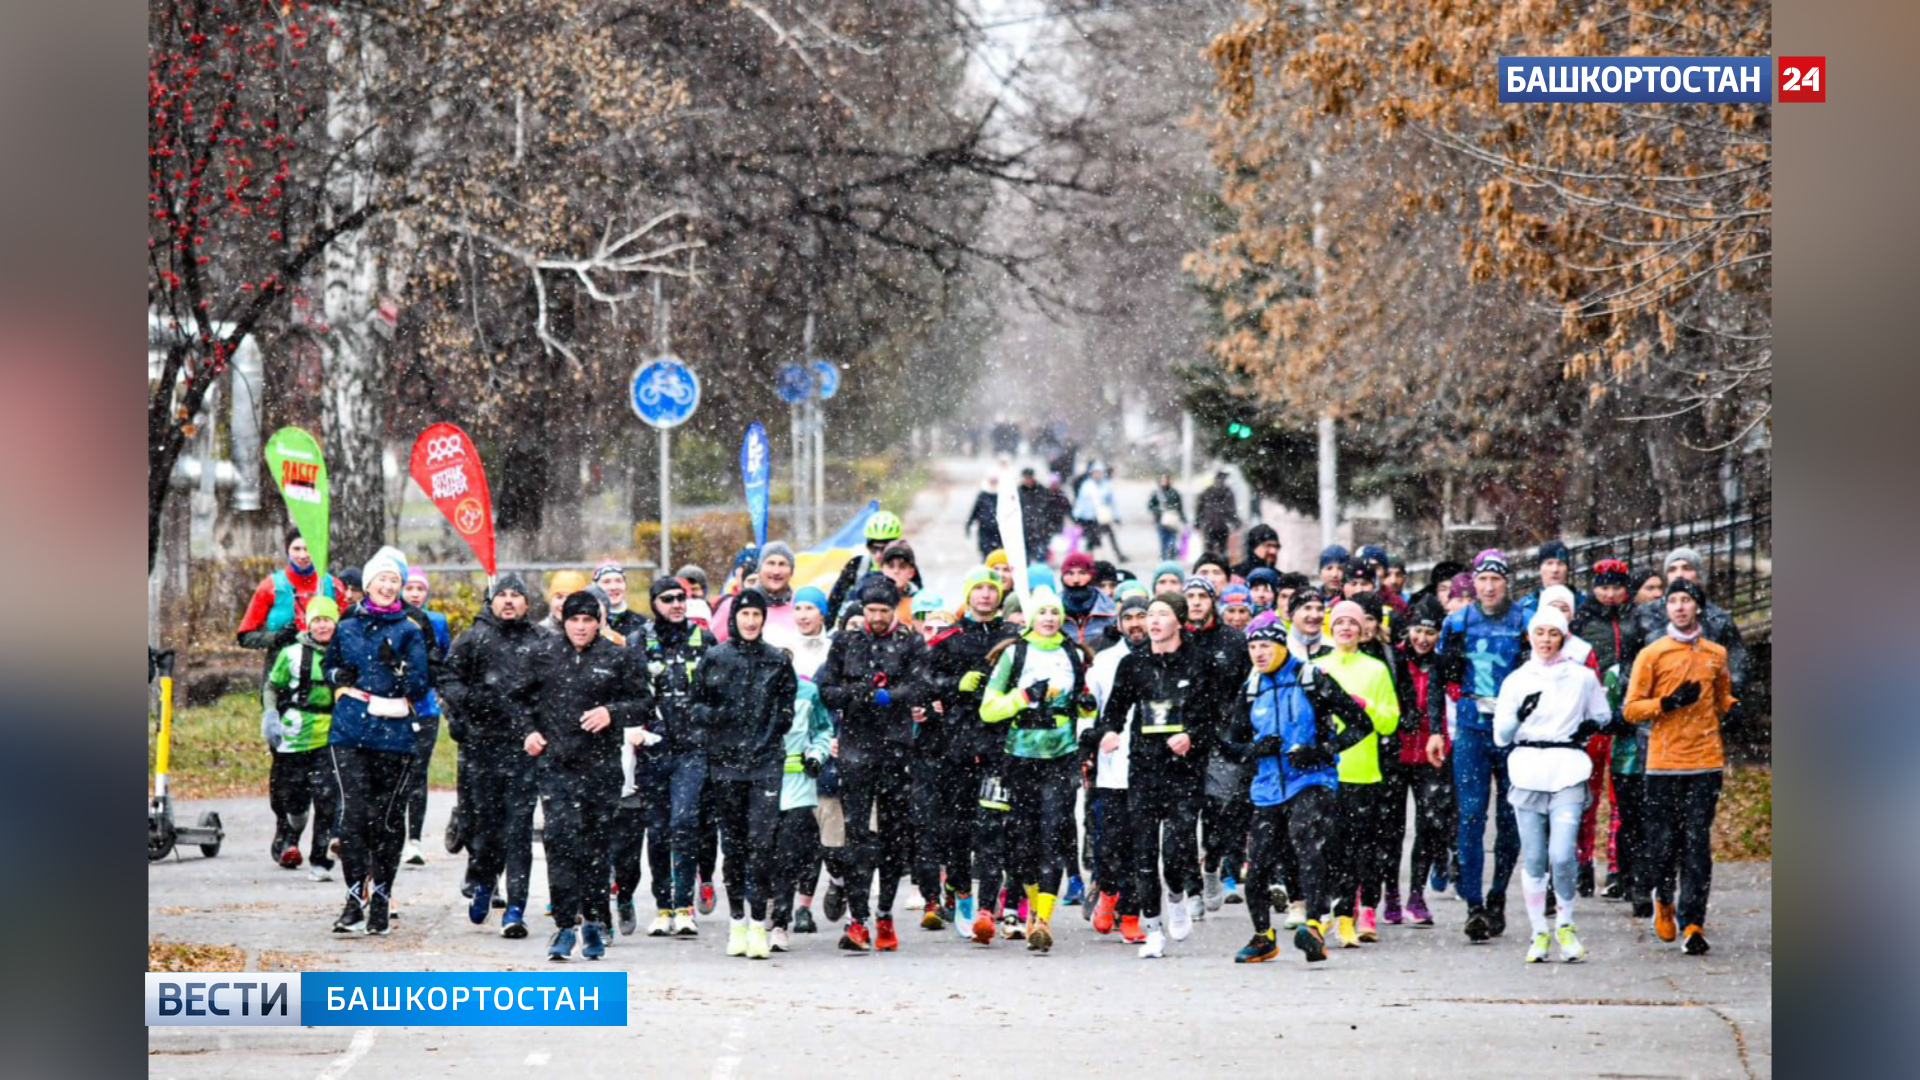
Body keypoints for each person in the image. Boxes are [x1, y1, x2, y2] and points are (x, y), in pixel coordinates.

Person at [1221, 622, 1372, 962]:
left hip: (1311, 779)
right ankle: (1263, 937)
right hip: (1268, 788)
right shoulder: (1251, 687)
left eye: (1265, 646)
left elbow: (1362, 724)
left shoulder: (1312, 677)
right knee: (1258, 865)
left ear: (1282, 646)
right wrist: (1256, 748)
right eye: (1252, 647)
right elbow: (1230, 744)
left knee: (1307, 843)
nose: (1258, 653)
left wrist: (1322, 750)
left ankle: (1314, 926)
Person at [519, 590, 654, 961]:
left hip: (600, 766)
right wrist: (528, 732)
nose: (580, 627)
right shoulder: (542, 654)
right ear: (564, 621)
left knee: (595, 847)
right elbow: (518, 701)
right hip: (557, 765)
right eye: (574, 619)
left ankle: (594, 921)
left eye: (587, 620)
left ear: (598, 623)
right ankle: (564, 926)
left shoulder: (617, 657)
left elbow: (643, 702)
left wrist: (612, 712)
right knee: (560, 842)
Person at [1098, 593, 1222, 958]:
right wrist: (1108, 733)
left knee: (1178, 846)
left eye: (1162, 614)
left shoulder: (1199, 661)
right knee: (1144, 850)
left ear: (1179, 621)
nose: (1152, 621)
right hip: (1144, 766)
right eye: (1150, 615)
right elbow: (1115, 710)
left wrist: (1192, 737)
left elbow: (1216, 716)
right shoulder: (1133, 663)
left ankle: (1177, 894)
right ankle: (1152, 927)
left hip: (1183, 768)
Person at [975, 586, 1093, 953]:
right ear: (1030, 618)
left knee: (1053, 835)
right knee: (1023, 841)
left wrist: (1087, 706)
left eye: (1054, 612)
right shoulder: (1014, 653)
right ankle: (1029, 910)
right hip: (1021, 755)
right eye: (1042, 612)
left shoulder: (1072, 653)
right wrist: (1025, 697)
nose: (1049, 618)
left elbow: (1085, 708)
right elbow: (988, 709)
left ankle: (1044, 919)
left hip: (1061, 755)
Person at [1494, 605, 1614, 963]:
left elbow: (1603, 715)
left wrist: (1588, 727)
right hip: (1528, 768)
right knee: (1533, 858)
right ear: (1530, 636)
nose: (1546, 640)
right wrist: (1521, 714)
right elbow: (1501, 736)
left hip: (1568, 769)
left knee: (1562, 855)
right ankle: (1538, 932)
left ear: (1563, 637)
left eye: (1553, 633)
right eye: (1540, 633)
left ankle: (1565, 923)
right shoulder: (1517, 679)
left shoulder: (1581, 677)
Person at [1623, 578, 1737, 956]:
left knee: (1696, 843)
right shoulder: (1652, 653)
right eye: (1673, 601)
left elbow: (1721, 696)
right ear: (1666, 608)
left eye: (1686, 601)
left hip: (1704, 761)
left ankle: (1694, 921)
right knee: (1663, 844)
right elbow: (1631, 708)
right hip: (1663, 762)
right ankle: (1664, 901)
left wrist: (1734, 709)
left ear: (1697, 607)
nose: (1680, 607)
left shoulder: (1715, 653)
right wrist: (1667, 704)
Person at [323, 546, 432, 936]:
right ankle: (355, 898)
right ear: (367, 585)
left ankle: (382, 898)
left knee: (386, 820)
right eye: (381, 579)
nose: (387, 586)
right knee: (353, 815)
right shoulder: (347, 625)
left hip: (395, 733)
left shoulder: (410, 630)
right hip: (351, 731)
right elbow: (329, 665)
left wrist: (397, 669)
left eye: (394, 581)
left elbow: (421, 683)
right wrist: (339, 676)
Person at [814, 578, 927, 952]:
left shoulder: (910, 641)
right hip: (856, 748)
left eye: (883, 611)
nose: (876, 618)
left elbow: (919, 687)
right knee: (857, 835)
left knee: (894, 836)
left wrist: (884, 696)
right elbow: (825, 689)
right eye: (870, 611)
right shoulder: (847, 641)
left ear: (894, 610)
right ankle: (858, 919)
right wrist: (854, 693)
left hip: (895, 748)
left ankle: (885, 914)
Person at [686, 588, 798, 960]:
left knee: (762, 844)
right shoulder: (715, 657)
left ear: (764, 619)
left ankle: (757, 923)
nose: (750, 621)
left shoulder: (776, 661)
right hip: (726, 764)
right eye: (745, 614)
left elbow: (787, 706)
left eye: (756, 615)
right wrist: (715, 725)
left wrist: (772, 732)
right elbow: (696, 704)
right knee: (732, 845)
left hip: (766, 763)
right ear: (734, 617)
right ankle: (736, 920)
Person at [440, 573, 543, 938]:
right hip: (481, 748)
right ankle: (484, 880)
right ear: (491, 600)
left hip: (523, 749)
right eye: (503, 594)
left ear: (528, 603)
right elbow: (447, 680)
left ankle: (516, 908)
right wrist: (472, 705)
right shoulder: (473, 638)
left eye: (517, 594)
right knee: (484, 828)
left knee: (518, 829)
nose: (510, 600)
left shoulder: (540, 641)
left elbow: (554, 689)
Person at [1436, 550, 1530, 942]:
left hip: (1512, 731)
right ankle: (1473, 904)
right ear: (1473, 583)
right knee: (1472, 814)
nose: (1489, 586)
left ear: (1506, 582)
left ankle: (1497, 895)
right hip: (1472, 728)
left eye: (1496, 579)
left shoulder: (1524, 620)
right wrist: (1435, 730)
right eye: (1482, 579)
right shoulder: (1457, 622)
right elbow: (1440, 679)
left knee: (1511, 819)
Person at [922, 566, 1019, 941]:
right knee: (957, 829)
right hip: (957, 747)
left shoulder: (1012, 637)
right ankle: (961, 893)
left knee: (995, 829)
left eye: (991, 588)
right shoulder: (951, 639)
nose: (985, 595)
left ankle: (989, 905)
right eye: (977, 588)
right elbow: (925, 681)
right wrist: (953, 685)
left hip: (1000, 746)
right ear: (968, 594)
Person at [1313, 600, 1401, 947]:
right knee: (1323, 849)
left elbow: (1390, 720)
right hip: (1323, 773)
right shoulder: (1316, 667)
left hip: (1363, 772)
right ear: (1329, 629)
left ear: (1362, 629)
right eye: (1339, 624)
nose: (1346, 629)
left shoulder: (1376, 669)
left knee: (1356, 850)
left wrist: (1362, 705)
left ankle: (1348, 916)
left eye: (1352, 623)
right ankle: (1321, 914)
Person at [633, 575, 714, 936]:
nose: (677, 604)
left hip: (692, 749)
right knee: (659, 830)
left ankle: (684, 905)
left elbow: (718, 692)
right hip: (653, 748)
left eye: (682, 598)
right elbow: (628, 691)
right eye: (668, 599)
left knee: (685, 823)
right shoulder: (639, 642)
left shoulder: (704, 640)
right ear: (654, 604)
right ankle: (662, 906)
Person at [1572, 560, 1649, 910]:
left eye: (1616, 587)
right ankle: (1582, 861)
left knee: (1623, 794)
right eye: (1603, 586)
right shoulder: (1584, 620)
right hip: (1591, 717)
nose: (1610, 593)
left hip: (1625, 717)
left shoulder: (1637, 619)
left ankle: (1618, 865)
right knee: (1586, 795)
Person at [1184, 576, 1252, 917]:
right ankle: (1192, 887)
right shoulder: (1176, 640)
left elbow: (1247, 690)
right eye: (1190, 596)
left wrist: (1236, 729)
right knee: (1182, 817)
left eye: (1202, 596)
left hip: (1221, 740)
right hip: (1181, 740)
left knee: (1216, 813)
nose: (1196, 602)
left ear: (1214, 601)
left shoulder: (1233, 640)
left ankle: (1211, 865)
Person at [262, 595, 342, 881]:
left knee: (326, 796)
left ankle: (320, 859)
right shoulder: (291, 654)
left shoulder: (345, 652)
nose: (323, 626)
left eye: (328, 620)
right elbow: (272, 686)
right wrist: (270, 715)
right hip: (294, 734)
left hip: (331, 733)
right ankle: (293, 828)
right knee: (292, 796)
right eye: (317, 620)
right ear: (309, 624)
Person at [1084, 593, 1149, 942]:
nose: (1137, 623)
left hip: (1151, 765)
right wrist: (1092, 741)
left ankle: (1131, 914)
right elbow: (1086, 708)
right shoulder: (1105, 661)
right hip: (1112, 766)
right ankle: (1108, 893)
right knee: (1110, 842)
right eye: (1130, 617)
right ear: (1120, 623)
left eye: (1143, 616)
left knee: (1143, 845)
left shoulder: (1165, 658)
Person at [1387, 601, 1452, 926]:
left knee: (1429, 824)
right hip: (1397, 750)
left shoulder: (1442, 662)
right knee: (1392, 828)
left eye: (1430, 632)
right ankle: (1390, 894)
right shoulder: (1394, 658)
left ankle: (1416, 893)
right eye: (1418, 631)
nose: (1422, 639)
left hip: (1431, 750)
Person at [768, 676, 833, 952]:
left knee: (788, 856)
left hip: (798, 788)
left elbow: (822, 729)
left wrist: (817, 755)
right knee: (759, 855)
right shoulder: (749, 684)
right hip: (759, 783)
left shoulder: (807, 691)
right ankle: (755, 916)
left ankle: (781, 922)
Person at [398, 570, 451, 868]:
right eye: (410, 587)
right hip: (395, 706)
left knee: (418, 773)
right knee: (395, 774)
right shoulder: (394, 622)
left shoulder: (436, 621)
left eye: (420, 588)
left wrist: (440, 693)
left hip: (426, 708)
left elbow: (443, 659)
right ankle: (392, 832)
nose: (415, 593)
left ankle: (414, 840)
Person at [713, 540, 800, 647]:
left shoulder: (801, 605)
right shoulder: (735, 605)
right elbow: (711, 649)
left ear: (791, 571)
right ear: (759, 569)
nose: (776, 571)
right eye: (770, 563)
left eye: (782, 564)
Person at [828, 511, 906, 618]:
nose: (878, 555)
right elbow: (835, 601)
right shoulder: (857, 565)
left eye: (884, 549)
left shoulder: (905, 567)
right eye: (874, 549)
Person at [1059, 551, 1117, 648]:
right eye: (1070, 573)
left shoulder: (1110, 608)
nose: (1076, 580)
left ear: (1092, 576)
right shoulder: (1053, 608)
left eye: (1082, 573)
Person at [1517, 541, 1584, 622]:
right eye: (1549, 563)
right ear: (1540, 568)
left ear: (1567, 569)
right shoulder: (1525, 607)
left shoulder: (1583, 603)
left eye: (1560, 564)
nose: (1555, 569)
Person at [1071, 462, 1126, 559]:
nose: (1097, 475)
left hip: (1102, 517)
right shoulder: (1087, 485)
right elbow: (1081, 501)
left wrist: (1117, 517)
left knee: (1109, 535)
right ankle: (1092, 558)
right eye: (1095, 472)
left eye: (1099, 472)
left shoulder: (1106, 485)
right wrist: (1077, 516)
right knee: (1092, 538)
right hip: (1088, 517)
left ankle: (1117, 554)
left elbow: (1112, 503)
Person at [591, 562, 647, 639]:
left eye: (618, 581)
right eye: (606, 582)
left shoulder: (641, 622)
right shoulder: (587, 620)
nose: (613, 587)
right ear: (595, 587)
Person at [1194, 471, 1240, 559]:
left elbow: (1199, 509)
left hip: (1210, 524)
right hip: (1222, 525)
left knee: (1210, 550)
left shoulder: (1207, 491)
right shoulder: (1228, 492)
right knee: (1222, 550)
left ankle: (1210, 564)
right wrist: (1235, 522)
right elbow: (1231, 510)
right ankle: (1222, 567)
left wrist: (1197, 522)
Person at [1147, 473, 1186, 561]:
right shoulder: (1156, 493)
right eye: (1163, 480)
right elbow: (1150, 506)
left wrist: (1184, 519)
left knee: (1172, 540)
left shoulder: (1175, 493)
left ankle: (1171, 557)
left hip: (1172, 520)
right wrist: (1159, 511)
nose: (1165, 482)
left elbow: (1180, 508)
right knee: (1164, 541)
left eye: (1167, 479)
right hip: (1161, 521)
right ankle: (1165, 558)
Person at [540, 570, 592, 634]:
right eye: (559, 597)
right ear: (550, 600)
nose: (564, 603)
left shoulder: (592, 632)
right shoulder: (539, 634)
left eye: (571, 598)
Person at [967, 475, 1004, 559]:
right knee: (986, 554)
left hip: (999, 531)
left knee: (999, 556)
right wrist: (968, 525)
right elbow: (975, 511)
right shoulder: (982, 495)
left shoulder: (1002, 495)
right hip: (985, 531)